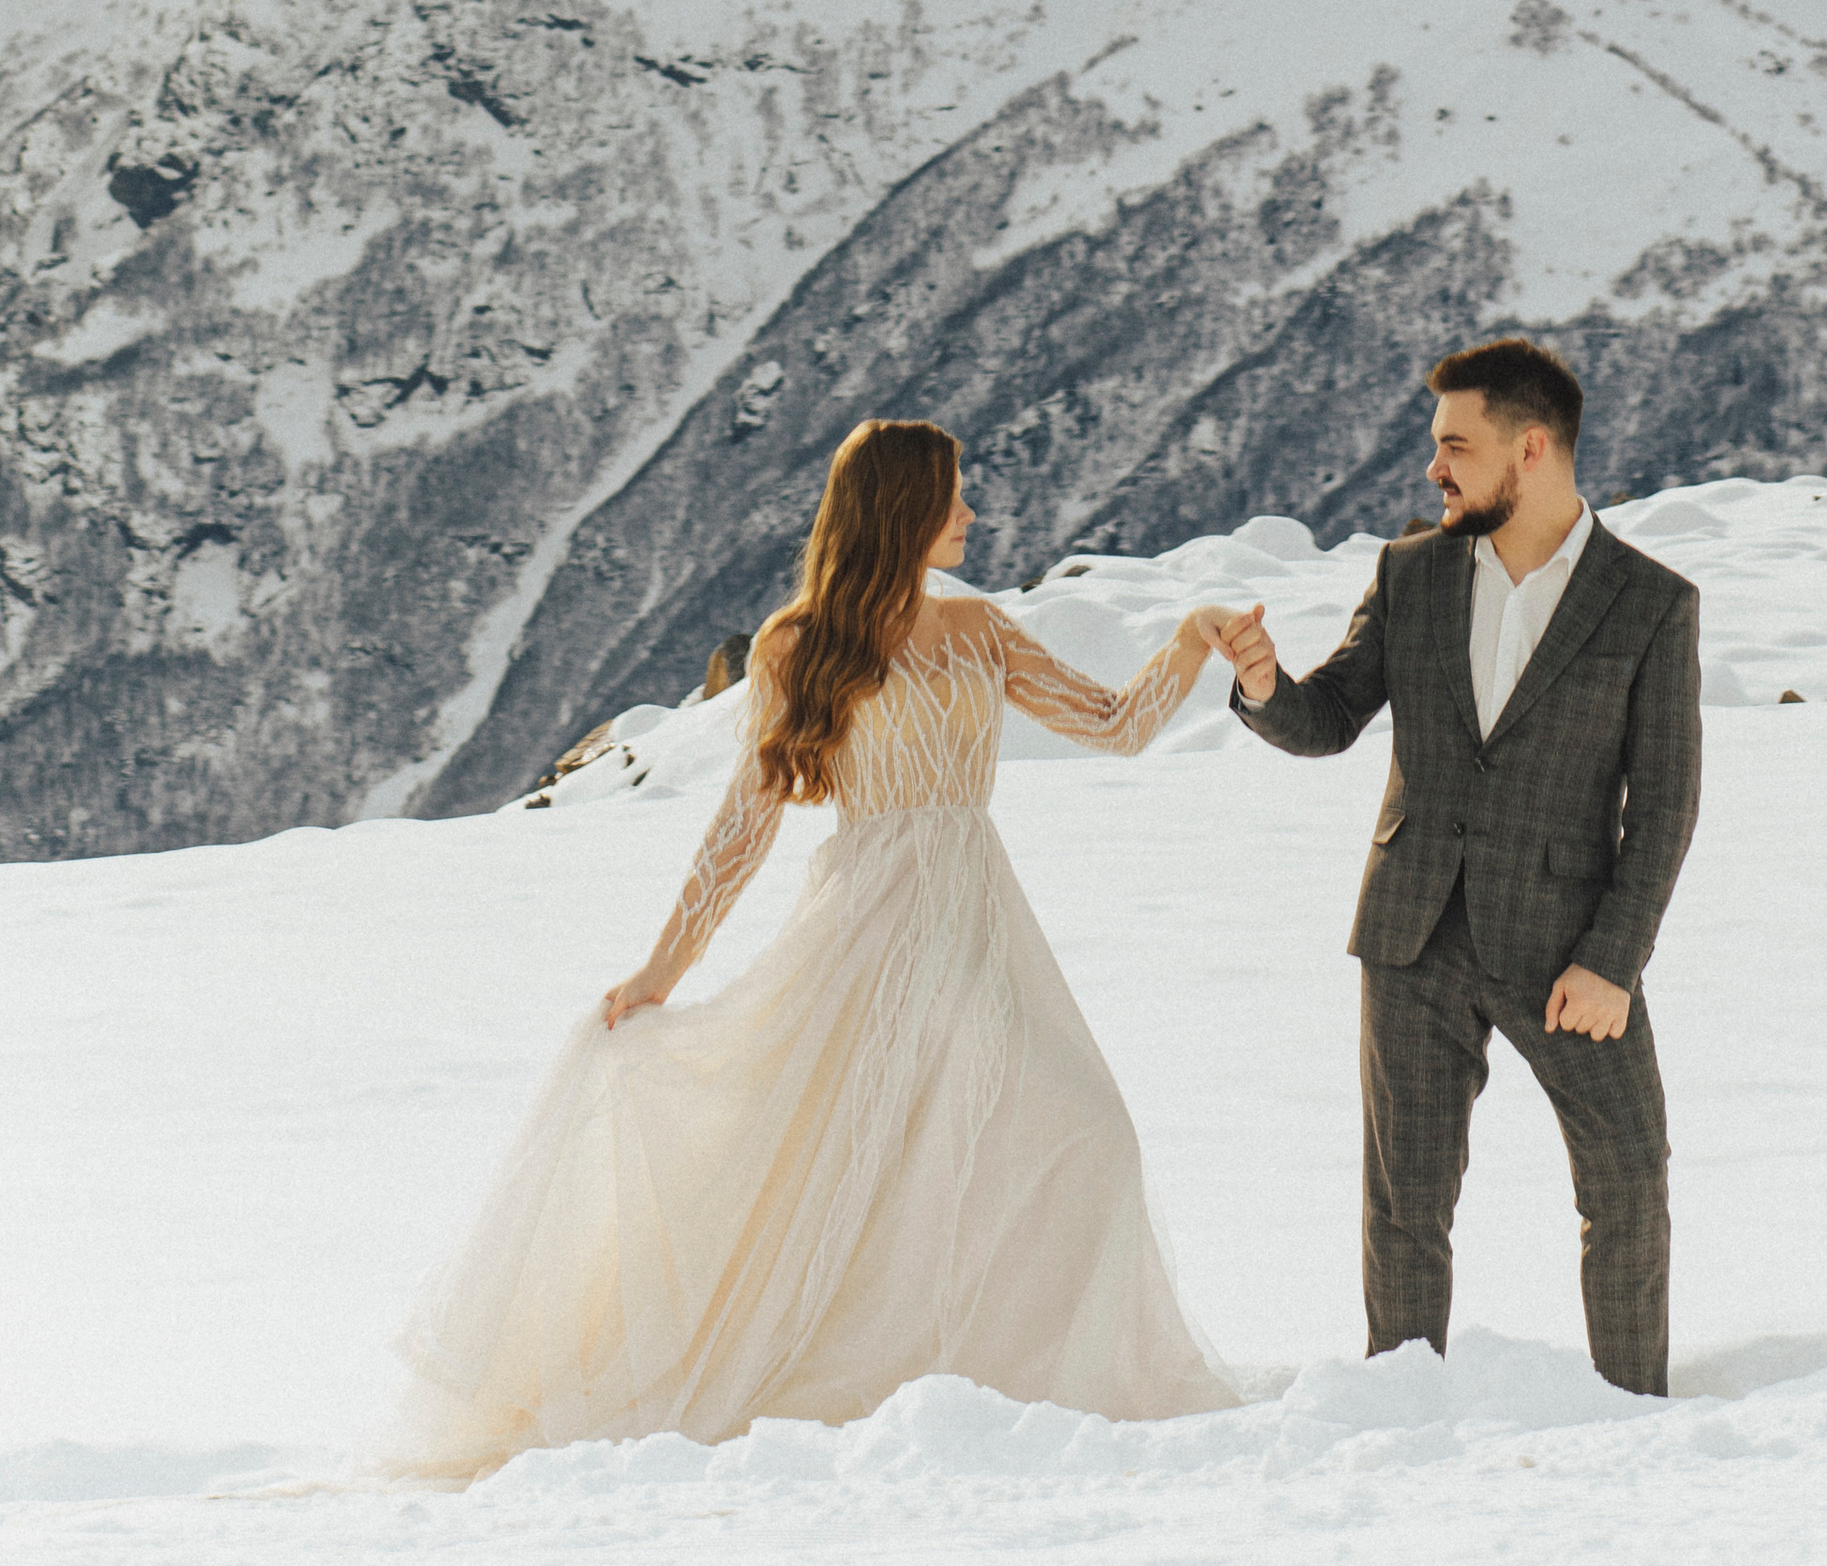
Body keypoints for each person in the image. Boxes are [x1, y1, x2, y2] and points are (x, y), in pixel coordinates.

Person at [386, 419, 1258, 1472]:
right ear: (903, 507)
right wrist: (667, 966)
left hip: (975, 914)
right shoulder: (796, 644)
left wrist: (1194, 638)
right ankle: (902, 1387)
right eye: (953, 497)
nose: (972, 514)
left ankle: (1015, 1380)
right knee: (836, 1163)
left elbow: (1115, 725)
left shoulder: (979, 627)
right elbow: (745, 822)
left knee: (1080, 1135)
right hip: (869, 925)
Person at [1225, 339, 1700, 1397]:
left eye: (1454, 446)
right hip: (1412, 936)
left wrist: (1612, 960)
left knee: (1626, 1182)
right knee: (1405, 1205)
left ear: (1529, 450)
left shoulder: (1650, 604)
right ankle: (1402, 1416)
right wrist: (1265, 687)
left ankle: (1633, 1415)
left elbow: (1663, 804)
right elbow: (1332, 715)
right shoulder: (1412, 576)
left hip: (1569, 952)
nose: (1433, 470)